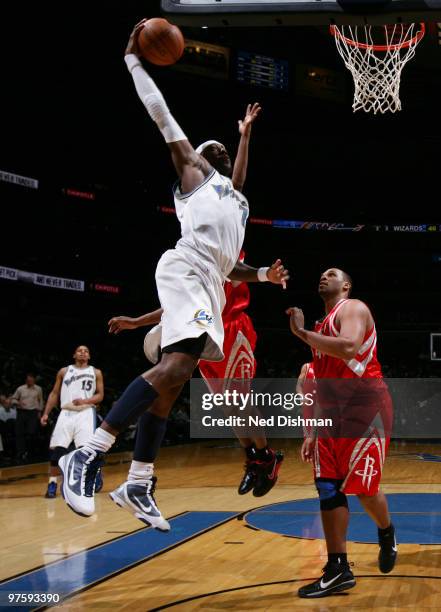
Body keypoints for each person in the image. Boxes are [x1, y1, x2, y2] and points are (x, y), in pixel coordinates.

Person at [59, 19, 289, 530]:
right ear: (198, 164)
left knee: (172, 385)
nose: (219, 154)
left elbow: (235, 267)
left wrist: (265, 278)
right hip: (185, 269)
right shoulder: (195, 176)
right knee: (180, 366)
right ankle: (88, 454)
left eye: (224, 154)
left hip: (211, 279)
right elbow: (161, 113)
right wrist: (133, 60)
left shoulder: (238, 201)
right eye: (213, 152)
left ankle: (139, 480)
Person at [108, 253, 285, 499]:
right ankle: (253, 459)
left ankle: (268, 458)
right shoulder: (196, 263)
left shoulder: (226, 253)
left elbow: (239, 271)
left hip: (234, 332)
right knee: (227, 408)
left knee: (241, 401)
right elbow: (176, 308)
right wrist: (137, 322)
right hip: (208, 336)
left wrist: (266, 273)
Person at [287, 268, 396, 598]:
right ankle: (338, 569)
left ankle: (386, 530)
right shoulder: (321, 328)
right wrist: (310, 431)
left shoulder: (353, 308)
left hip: (365, 409)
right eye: (319, 274)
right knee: (327, 487)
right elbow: (317, 385)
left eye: (331, 274)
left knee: (363, 489)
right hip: (332, 417)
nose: (323, 276)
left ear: (346, 285)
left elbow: (349, 346)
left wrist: (301, 332)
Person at [40, 346, 104, 498]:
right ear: (74, 354)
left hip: (86, 412)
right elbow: (55, 393)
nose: (83, 352)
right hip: (66, 412)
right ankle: (52, 484)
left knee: (86, 451)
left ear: (89, 356)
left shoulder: (96, 372)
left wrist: (85, 400)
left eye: (86, 351)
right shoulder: (64, 371)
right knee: (57, 452)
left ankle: (91, 478)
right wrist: (46, 413)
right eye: (80, 350)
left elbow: (100, 395)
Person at [11, 373, 43, 462]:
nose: (29, 382)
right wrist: (18, 403)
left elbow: (40, 401)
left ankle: (30, 452)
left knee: (31, 432)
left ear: (34, 380)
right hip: (22, 412)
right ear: (26, 381)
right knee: (19, 433)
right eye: (28, 380)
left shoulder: (38, 389)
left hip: (33, 412)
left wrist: (40, 412)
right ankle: (20, 452)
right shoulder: (20, 388)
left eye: (31, 380)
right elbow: (13, 399)